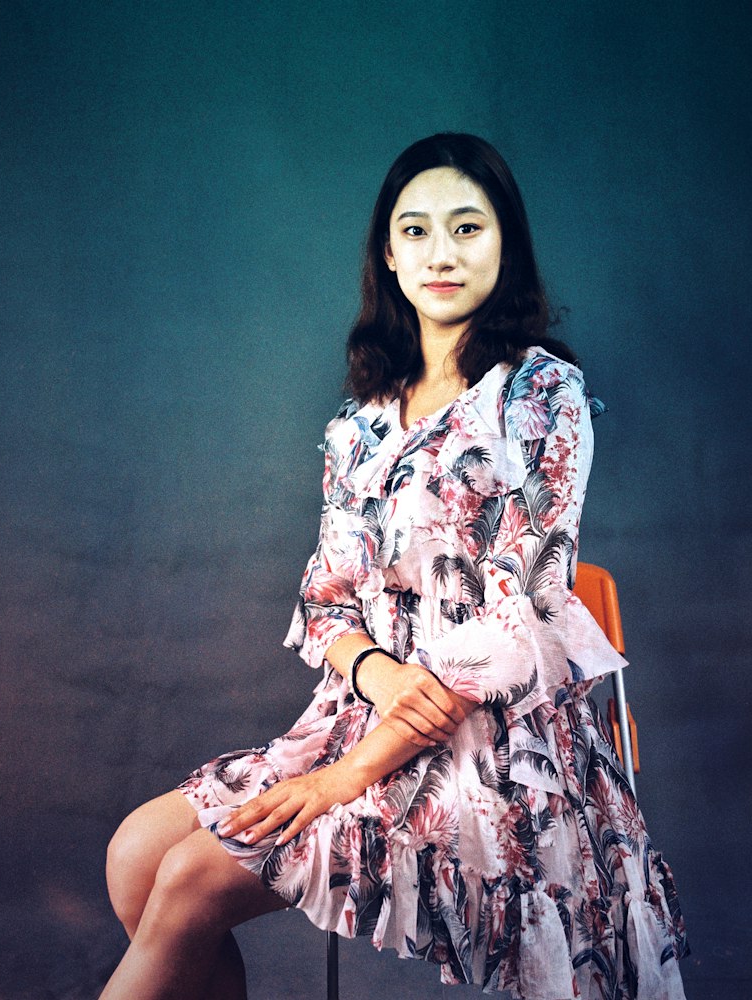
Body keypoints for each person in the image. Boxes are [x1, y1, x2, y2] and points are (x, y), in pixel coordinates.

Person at [101, 133, 689, 1000]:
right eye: (415, 231)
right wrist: (372, 669)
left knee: (190, 884)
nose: (441, 254)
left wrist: (344, 778)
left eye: (467, 228)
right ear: (388, 252)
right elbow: (327, 598)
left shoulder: (540, 396)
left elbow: (519, 623)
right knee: (135, 858)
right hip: (361, 716)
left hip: (495, 747)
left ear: (505, 244)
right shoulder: (361, 422)